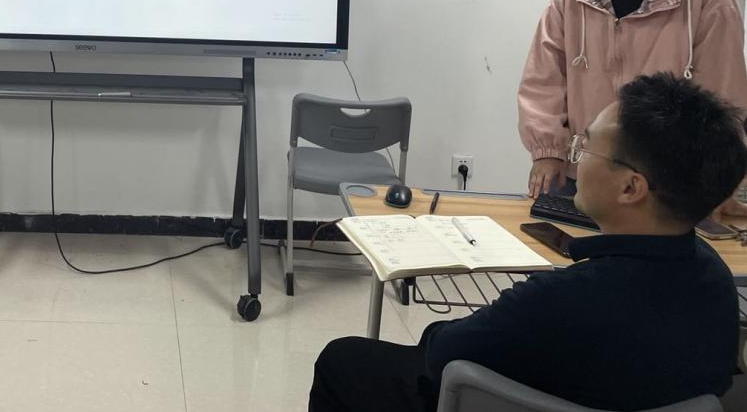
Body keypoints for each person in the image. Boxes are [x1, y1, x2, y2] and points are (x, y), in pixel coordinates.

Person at [310, 72, 746, 412]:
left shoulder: (557, 301)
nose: (575, 157)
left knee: (344, 360)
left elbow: (444, 355)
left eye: (585, 147)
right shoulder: (716, 285)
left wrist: (439, 331)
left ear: (631, 187)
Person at [518, 0, 747, 206]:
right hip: (581, 173)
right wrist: (547, 150)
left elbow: (723, 96)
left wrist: (716, 180)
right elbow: (544, 76)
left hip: (666, 183)